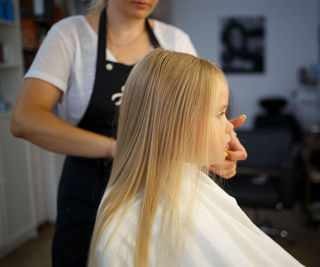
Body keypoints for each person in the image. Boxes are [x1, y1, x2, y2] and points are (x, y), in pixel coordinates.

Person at [10, 0, 247, 266]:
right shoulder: (70, 36)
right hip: (88, 188)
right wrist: (123, 147)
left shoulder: (174, 40)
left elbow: (201, 108)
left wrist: (223, 139)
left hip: (161, 191)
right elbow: (25, 119)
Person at [88, 49, 303, 267]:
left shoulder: (182, 185)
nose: (231, 126)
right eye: (221, 114)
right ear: (174, 124)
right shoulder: (128, 230)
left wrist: (220, 139)